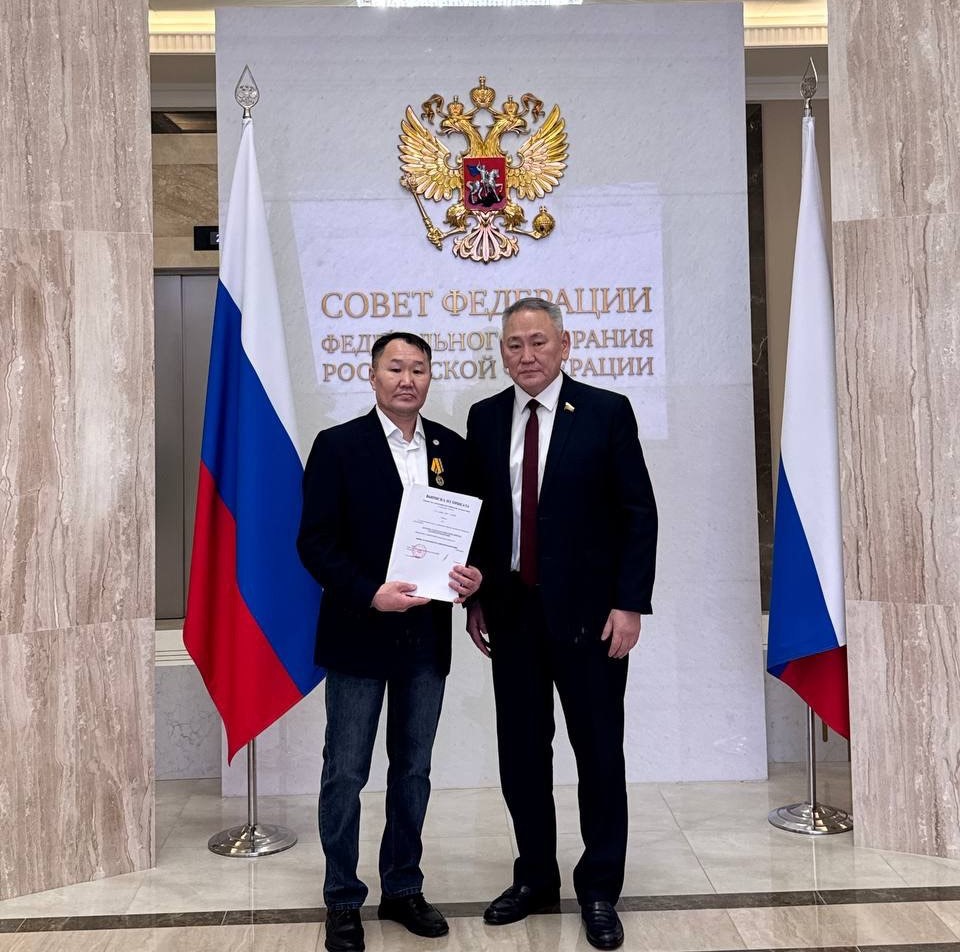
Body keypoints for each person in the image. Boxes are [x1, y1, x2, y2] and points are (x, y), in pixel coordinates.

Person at [465, 298, 658, 951]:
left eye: (538, 342)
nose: (527, 355)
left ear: (564, 344)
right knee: (522, 755)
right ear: (503, 352)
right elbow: (479, 517)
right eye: (514, 344)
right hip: (512, 615)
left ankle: (599, 887)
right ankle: (535, 878)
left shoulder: (606, 411)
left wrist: (629, 604)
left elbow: (638, 515)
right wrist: (476, 599)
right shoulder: (485, 418)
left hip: (592, 620)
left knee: (598, 753)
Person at [298, 331, 482, 952]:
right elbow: (315, 542)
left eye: (418, 369)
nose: (407, 379)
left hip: (425, 640)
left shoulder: (452, 449)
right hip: (357, 633)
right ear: (372, 376)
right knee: (345, 772)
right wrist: (368, 592)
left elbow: (471, 538)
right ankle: (342, 898)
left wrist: (473, 577)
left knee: (412, 770)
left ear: (430, 378)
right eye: (395, 368)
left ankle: (403, 887)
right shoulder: (337, 446)